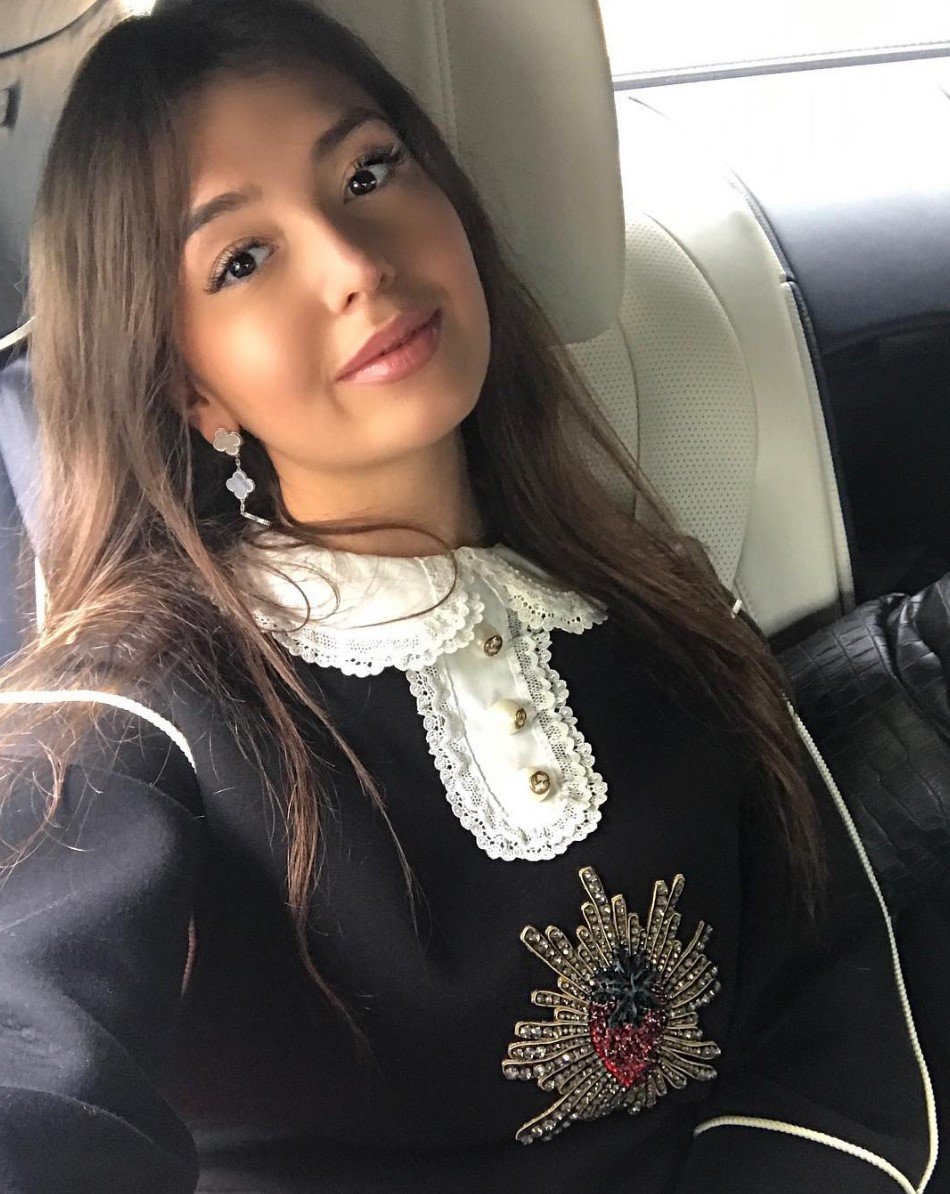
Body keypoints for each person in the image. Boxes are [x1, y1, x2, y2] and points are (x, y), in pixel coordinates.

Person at [0, 1, 938, 1190]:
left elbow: (837, 1008)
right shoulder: (128, 714)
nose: (354, 264)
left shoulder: (663, 607)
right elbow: (34, 1074)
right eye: (241, 259)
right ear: (193, 389)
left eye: (367, 172)